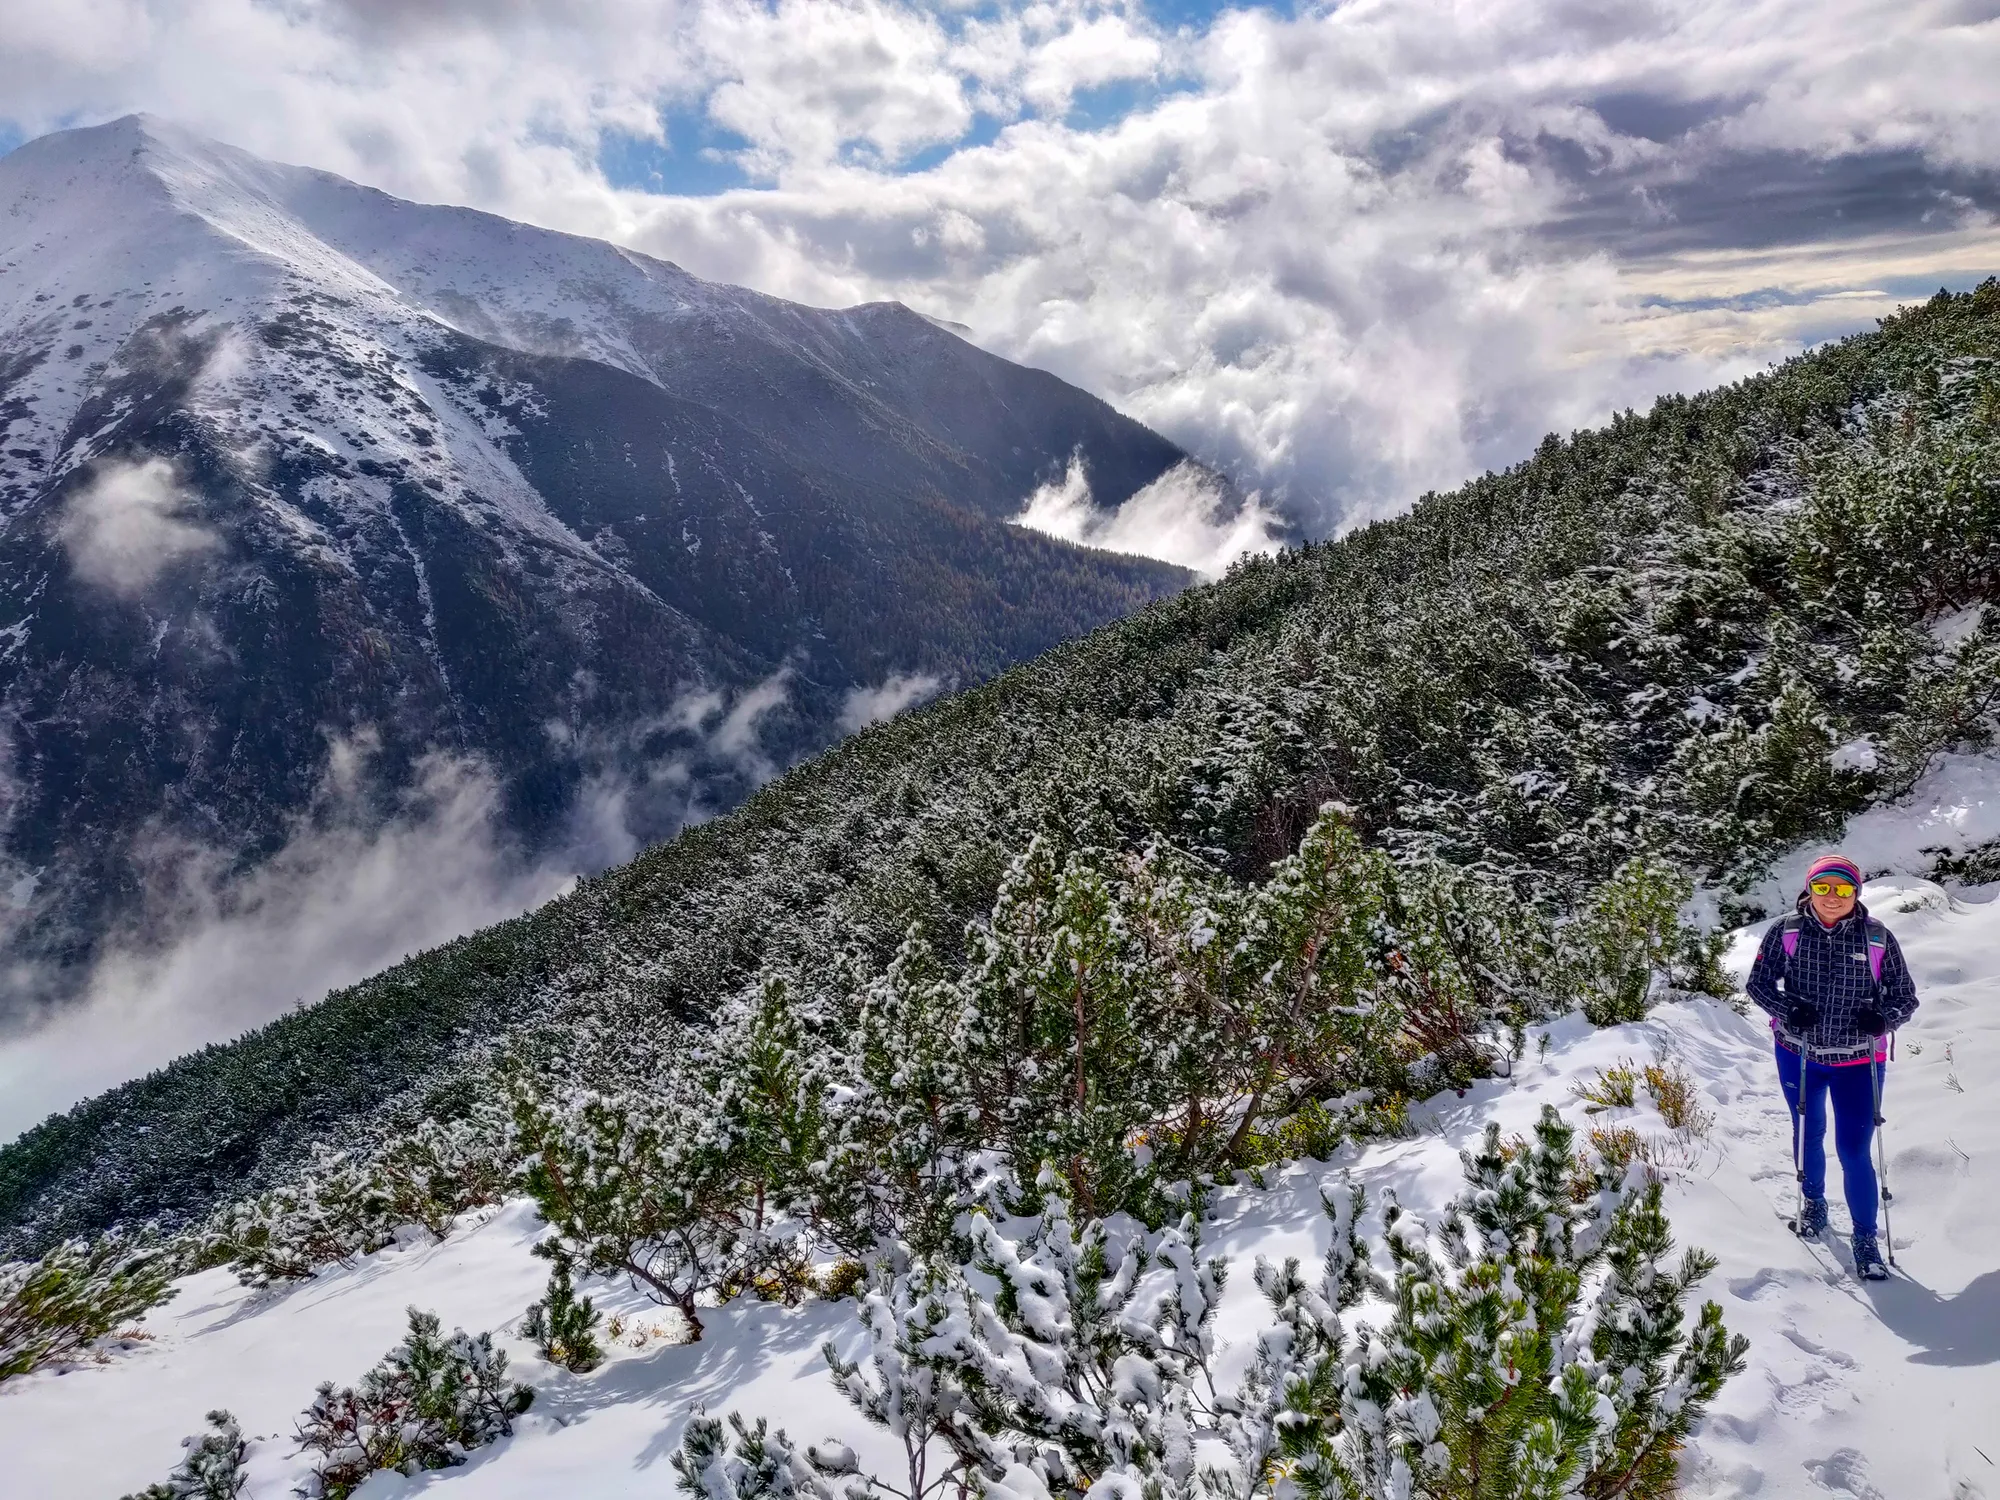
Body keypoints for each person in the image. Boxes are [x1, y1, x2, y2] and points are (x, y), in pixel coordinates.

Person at [1746, 853, 1919, 1279]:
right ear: (1810, 889)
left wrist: (1884, 1019)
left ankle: (1865, 1239)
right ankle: (1815, 1205)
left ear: (1856, 893)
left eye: (1843, 889)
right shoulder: (1785, 931)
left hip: (1859, 1058)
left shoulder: (1876, 937)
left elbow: (1905, 995)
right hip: (1798, 1051)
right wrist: (1787, 1010)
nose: (1832, 897)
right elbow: (1759, 983)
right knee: (1808, 1130)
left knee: (1854, 1150)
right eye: (1823, 887)